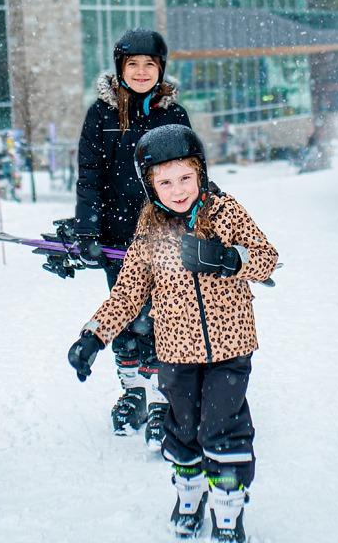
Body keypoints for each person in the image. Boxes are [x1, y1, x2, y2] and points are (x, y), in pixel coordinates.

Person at [68, 124, 278, 542]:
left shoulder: (226, 212)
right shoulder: (148, 231)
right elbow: (128, 293)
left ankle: (228, 510)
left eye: (185, 177)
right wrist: (93, 336)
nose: (178, 189)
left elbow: (267, 260)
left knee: (224, 430)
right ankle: (189, 494)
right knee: (182, 430)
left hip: (230, 349)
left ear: (200, 172)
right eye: (165, 181)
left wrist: (229, 259)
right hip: (176, 355)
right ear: (150, 186)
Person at [73, 28, 191, 448]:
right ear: (120, 68)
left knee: (163, 319)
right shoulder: (101, 115)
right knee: (125, 317)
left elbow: (194, 179)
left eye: (149, 65)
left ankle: (163, 400)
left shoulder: (174, 117)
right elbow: (89, 176)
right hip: (116, 237)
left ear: (161, 69)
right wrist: (86, 228)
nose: (141, 72)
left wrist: (195, 227)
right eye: (132, 64)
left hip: (166, 238)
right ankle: (133, 392)